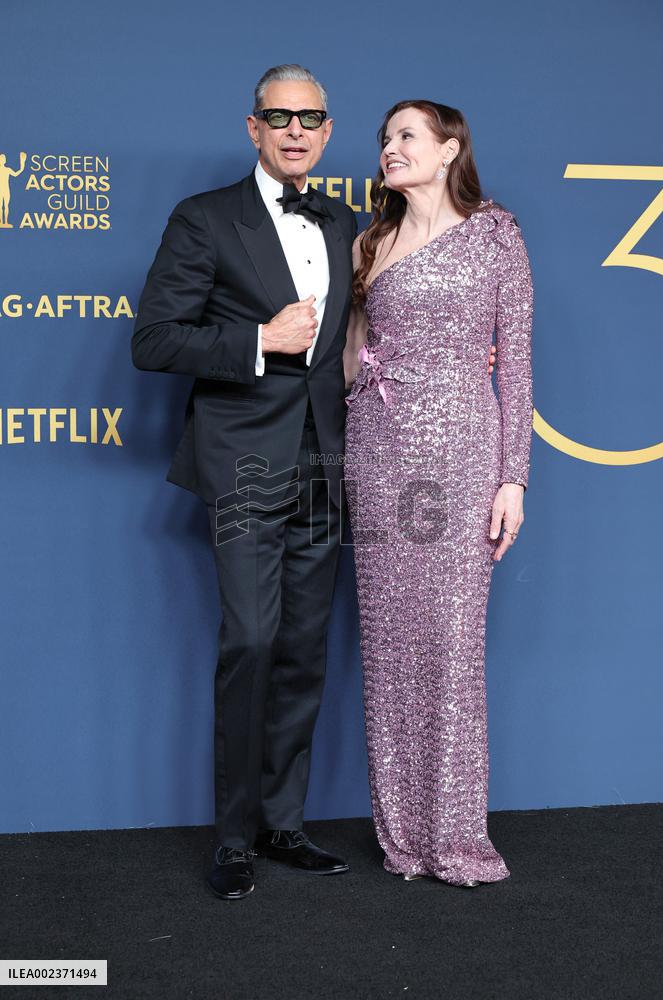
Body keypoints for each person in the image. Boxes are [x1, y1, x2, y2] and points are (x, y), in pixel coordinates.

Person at [132, 64, 359, 901]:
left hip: (324, 467)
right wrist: (260, 340)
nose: (296, 130)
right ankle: (232, 838)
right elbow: (153, 340)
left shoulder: (345, 223)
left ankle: (283, 823)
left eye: (311, 118)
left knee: (304, 651)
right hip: (243, 462)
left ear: (327, 131)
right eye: (279, 116)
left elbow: (357, 339)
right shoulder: (205, 219)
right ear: (253, 127)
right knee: (252, 642)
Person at [343, 100, 533, 887]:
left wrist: (513, 476)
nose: (391, 149)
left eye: (407, 137)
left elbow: (516, 362)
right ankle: (402, 841)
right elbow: (354, 355)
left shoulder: (497, 234)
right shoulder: (370, 241)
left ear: (450, 148)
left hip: (460, 451)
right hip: (378, 452)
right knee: (387, 649)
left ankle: (454, 839)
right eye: (385, 139)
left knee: (451, 645)